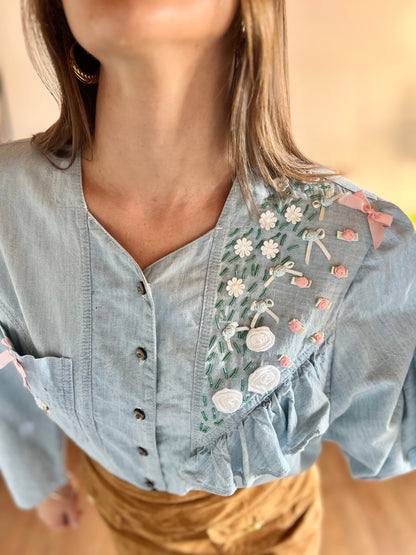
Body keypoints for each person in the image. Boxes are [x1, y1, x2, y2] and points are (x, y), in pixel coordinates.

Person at [0, 1, 415, 554]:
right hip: (124, 520)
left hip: (274, 530)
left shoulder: (361, 242)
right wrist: (34, 474)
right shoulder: (6, 211)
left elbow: (386, 434)